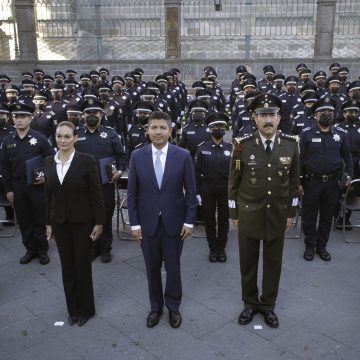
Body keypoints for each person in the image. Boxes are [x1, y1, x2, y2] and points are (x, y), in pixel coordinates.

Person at [228, 93, 300, 328]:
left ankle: (268, 305)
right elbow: (233, 184)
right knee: (248, 263)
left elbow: (294, 184)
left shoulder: (291, 145)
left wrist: (291, 213)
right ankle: (250, 303)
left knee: (273, 263)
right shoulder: (242, 144)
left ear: (279, 118)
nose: (267, 119)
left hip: (277, 214)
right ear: (254, 118)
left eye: (272, 114)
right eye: (262, 115)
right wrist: (234, 215)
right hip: (249, 214)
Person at [127, 111, 197, 329]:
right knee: (152, 267)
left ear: (170, 130)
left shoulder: (183, 155)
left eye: (162, 128)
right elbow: (132, 193)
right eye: (154, 128)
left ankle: (173, 306)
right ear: (147, 131)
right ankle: (155, 307)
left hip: (175, 223)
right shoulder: (137, 156)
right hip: (147, 224)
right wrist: (135, 224)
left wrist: (189, 222)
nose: (158, 132)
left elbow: (191, 192)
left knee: (174, 267)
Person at [44, 121, 105, 327]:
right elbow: (48, 195)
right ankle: (73, 309)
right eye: (59, 136)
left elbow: (96, 194)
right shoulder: (48, 162)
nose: (62, 140)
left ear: (75, 138)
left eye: (67, 136)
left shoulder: (86, 161)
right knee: (66, 266)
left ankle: (86, 309)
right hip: (59, 222)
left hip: (83, 222)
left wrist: (99, 222)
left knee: (81, 265)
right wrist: (48, 223)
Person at [300, 97, 353, 262]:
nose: (326, 115)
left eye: (330, 112)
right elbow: (300, 159)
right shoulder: (306, 134)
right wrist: (299, 182)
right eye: (322, 112)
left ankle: (321, 246)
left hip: (332, 183)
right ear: (315, 115)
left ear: (334, 114)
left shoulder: (341, 135)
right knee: (309, 216)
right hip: (311, 183)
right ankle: (309, 246)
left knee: (326, 216)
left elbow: (347, 156)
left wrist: (349, 175)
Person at [1, 103, 55, 264]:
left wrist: (46, 176)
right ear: (12, 119)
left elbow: (51, 160)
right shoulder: (8, 140)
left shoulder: (40, 138)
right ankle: (30, 249)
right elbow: (4, 167)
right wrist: (8, 190)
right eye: (16, 116)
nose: (19, 120)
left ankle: (42, 250)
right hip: (18, 186)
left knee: (39, 217)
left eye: (23, 116)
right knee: (24, 219)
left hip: (37, 186)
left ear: (30, 118)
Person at [75, 98, 126, 263]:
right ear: (83, 115)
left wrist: (119, 171)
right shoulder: (77, 134)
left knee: (104, 216)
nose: (92, 115)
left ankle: (105, 249)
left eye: (95, 112)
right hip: (83, 185)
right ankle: (93, 247)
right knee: (88, 217)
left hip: (105, 183)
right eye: (88, 112)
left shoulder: (110, 133)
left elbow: (121, 156)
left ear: (101, 114)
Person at [194, 112, 232, 262]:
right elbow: (196, 171)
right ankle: (212, 248)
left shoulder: (231, 148)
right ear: (210, 129)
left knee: (224, 219)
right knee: (209, 220)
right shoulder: (202, 148)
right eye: (215, 126)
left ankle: (221, 248)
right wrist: (196, 192)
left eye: (221, 126)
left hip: (225, 188)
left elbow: (235, 172)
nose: (219, 129)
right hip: (207, 188)